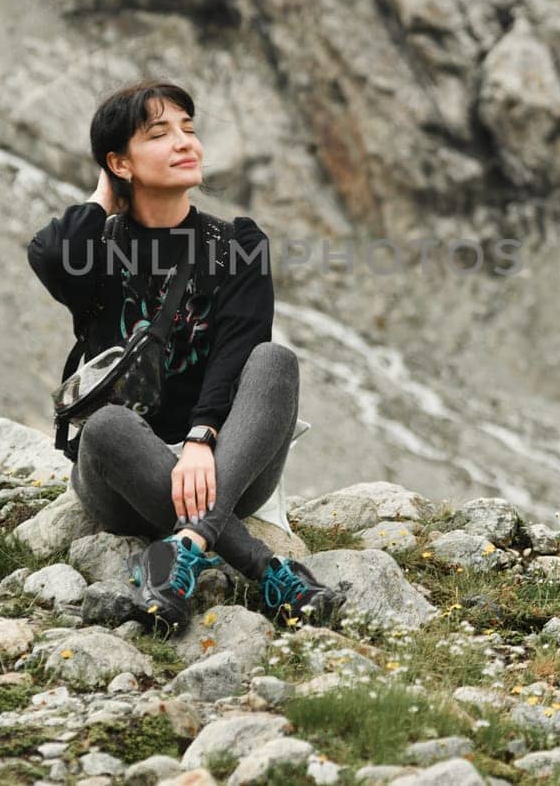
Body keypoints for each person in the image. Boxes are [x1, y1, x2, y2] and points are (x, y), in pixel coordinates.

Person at [27, 79, 343, 630]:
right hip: (126, 477)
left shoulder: (239, 245)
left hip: (226, 466)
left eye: (189, 130)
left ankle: (182, 549)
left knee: (275, 361)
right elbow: (49, 253)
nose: (185, 143)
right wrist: (108, 189)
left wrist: (202, 438)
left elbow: (238, 353)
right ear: (120, 163)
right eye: (160, 134)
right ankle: (264, 568)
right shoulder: (95, 251)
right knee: (104, 426)